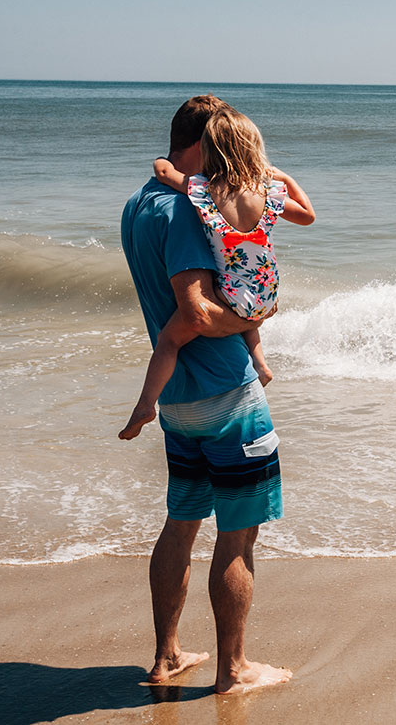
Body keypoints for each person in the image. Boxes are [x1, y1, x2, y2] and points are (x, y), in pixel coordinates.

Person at [119, 94, 293, 694]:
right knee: (238, 535)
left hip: (179, 403)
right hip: (227, 398)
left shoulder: (138, 205)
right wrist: (258, 312)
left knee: (182, 521)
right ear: (202, 144)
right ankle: (233, 670)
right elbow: (193, 313)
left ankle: (167, 657)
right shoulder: (183, 210)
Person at [120, 108, 315, 440]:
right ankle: (261, 363)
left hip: (231, 291)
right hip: (265, 289)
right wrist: (282, 177)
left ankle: (145, 404)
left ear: (209, 149)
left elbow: (166, 173)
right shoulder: (268, 193)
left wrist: (158, 163)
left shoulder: (203, 192)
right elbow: (308, 215)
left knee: (170, 339)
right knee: (247, 311)